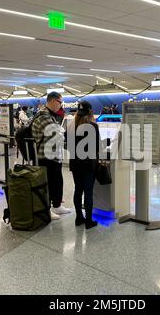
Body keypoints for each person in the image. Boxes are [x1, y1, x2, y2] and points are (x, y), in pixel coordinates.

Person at [31, 92, 71, 220]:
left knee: (57, 182)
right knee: (47, 184)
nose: (61, 105)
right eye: (60, 102)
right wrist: (61, 132)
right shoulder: (43, 116)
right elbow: (56, 134)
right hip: (45, 157)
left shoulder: (50, 115)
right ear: (53, 101)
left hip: (54, 156)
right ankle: (46, 209)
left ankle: (57, 205)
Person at [67, 101, 100, 229]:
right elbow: (97, 147)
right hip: (88, 165)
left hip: (75, 164)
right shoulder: (93, 126)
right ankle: (89, 221)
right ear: (90, 112)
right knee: (88, 192)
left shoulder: (70, 126)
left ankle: (79, 217)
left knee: (78, 190)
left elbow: (68, 146)